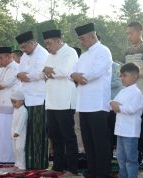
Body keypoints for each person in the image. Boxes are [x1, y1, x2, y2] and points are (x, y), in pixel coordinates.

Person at [70, 22, 113, 178]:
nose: (81, 42)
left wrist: (80, 76)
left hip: (97, 103)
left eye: (82, 38)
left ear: (92, 36)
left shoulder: (104, 51)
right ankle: (92, 172)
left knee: (99, 142)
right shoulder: (84, 55)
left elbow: (97, 71)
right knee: (88, 142)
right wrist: (74, 76)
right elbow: (72, 72)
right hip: (83, 104)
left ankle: (102, 173)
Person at [42, 29, 79, 176]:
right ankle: (58, 167)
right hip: (51, 100)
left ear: (58, 40)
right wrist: (49, 71)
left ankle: (72, 169)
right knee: (55, 135)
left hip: (65, 100)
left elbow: (66, 71)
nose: (47, 47)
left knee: (68, 136)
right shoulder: (50, 55)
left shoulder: (70, 52)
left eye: (49, 43)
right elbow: (43, 71)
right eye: (45, 44)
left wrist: (51, 71)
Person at [15, 31, 49, 169]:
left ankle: (39, 164)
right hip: (28, 97)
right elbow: (19, 72)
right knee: (28, 133)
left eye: (24, 47)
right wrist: (22, 75)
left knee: (38, 133)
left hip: (40, 98)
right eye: (21, 48)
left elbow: (42, 74)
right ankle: (28, 163)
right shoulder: (24, 56)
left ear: (32, 43)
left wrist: (25, 76)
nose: (23, 50)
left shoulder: (43, 54)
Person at [125, 21, 143, 169]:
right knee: (133, 128)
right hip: (130, 95)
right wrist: (129, 74)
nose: (129, 36)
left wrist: (131, 73)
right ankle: (136, 158)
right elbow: (126, 72)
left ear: (139, 32)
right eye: (127, 33)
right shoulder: (128, 51)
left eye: (131, 33)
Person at [110, 63, 143, 178]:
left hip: (130, 132)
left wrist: (118, 107)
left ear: (134, 77)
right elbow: (113, 105)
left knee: (131, 159)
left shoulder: (137, 93)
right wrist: (115, 105)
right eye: (121, 76)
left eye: (125, 75)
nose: (122, 78)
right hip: (120, 131)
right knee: (120, 158)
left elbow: (131, 109)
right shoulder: (122, 91)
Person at [0, 47, 20, 163]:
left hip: (9, 104)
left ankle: (9, 158)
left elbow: (5, 83)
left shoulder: (15, 67)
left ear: (9, 57)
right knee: (1, 133)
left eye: (1, 58)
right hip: (1, 105)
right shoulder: (2, 69)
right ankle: (2, 157)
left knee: (8, 132)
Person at [10, 89, 28, 171]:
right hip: (14, 133)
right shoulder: (15, 110)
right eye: (12, 102)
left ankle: (22, 166)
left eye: (15, 102)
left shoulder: (24, 110)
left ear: (21, 101)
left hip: (20, 134)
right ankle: (17, 164)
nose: (13, 104)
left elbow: (21, 122)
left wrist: (17, 132)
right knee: (15, 149)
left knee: (20, 148)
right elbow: (13, 122)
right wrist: (12, 132)